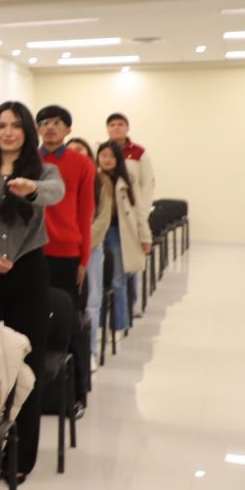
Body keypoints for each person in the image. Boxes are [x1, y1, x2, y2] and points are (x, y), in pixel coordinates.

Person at [0, 102, 64, 478]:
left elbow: (55, 192)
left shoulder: (43, 170)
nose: (8, 132)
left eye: (16, 125)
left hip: (27, 275)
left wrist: (30, 190)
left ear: (27, 132)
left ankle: (19, 458)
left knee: (25, 366)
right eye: (2, 125)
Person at [35, 104, 95, 411]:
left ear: (68, 129)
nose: (50, 127)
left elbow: (86, 213)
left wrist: (84, 260)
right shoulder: (29, 160)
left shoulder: (81, 163)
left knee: (70, 323)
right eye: (44, 122)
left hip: (66, 253)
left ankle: (78, 393)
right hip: (31, 252)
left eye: (57, 123)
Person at [98, 141, 153, 333]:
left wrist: (145, 237)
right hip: (97, 233)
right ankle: (99, 325)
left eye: (111, 156)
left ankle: (120, 324)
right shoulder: (94, 178)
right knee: (99, 283)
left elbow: (139, 211)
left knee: (117, 281)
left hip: (118, 233)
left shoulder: (127, 180)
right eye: (103, 155)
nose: (107, 160)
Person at [67, 137, 111, 366]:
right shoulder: (59, 177)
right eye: (71, 150)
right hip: (65, 250)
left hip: (91, 249)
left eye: (80, 150)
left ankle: (90, 353)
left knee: (92, 301)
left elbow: (102, 220)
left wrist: (82, 242)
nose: (76, 153)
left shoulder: (100, 181)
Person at [107, 113, 156, 317]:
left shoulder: (138, 153)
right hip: (110, 217)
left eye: (120, 124)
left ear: (127, 128)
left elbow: (147, 184)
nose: (116, 128)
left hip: (131, 216)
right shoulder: (103, 151)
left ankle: (131, 304)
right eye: (112, 124)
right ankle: (116, 308)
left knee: (130, 262)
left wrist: (141, 212)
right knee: (115, 267)